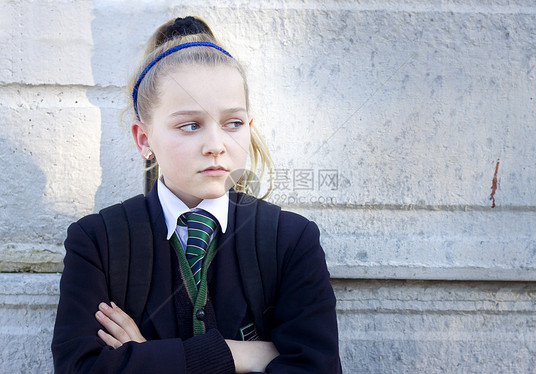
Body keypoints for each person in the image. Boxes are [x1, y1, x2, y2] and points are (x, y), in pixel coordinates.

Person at [52, 16, 341, 373]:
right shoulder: (97, 242)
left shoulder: (291, 241)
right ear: (144, 139)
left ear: (248, 127)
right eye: (190, 125)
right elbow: (80, 368)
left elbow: (316, 368)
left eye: (232, 123)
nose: (216, 146)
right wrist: (240, 355)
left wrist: (147, 358)